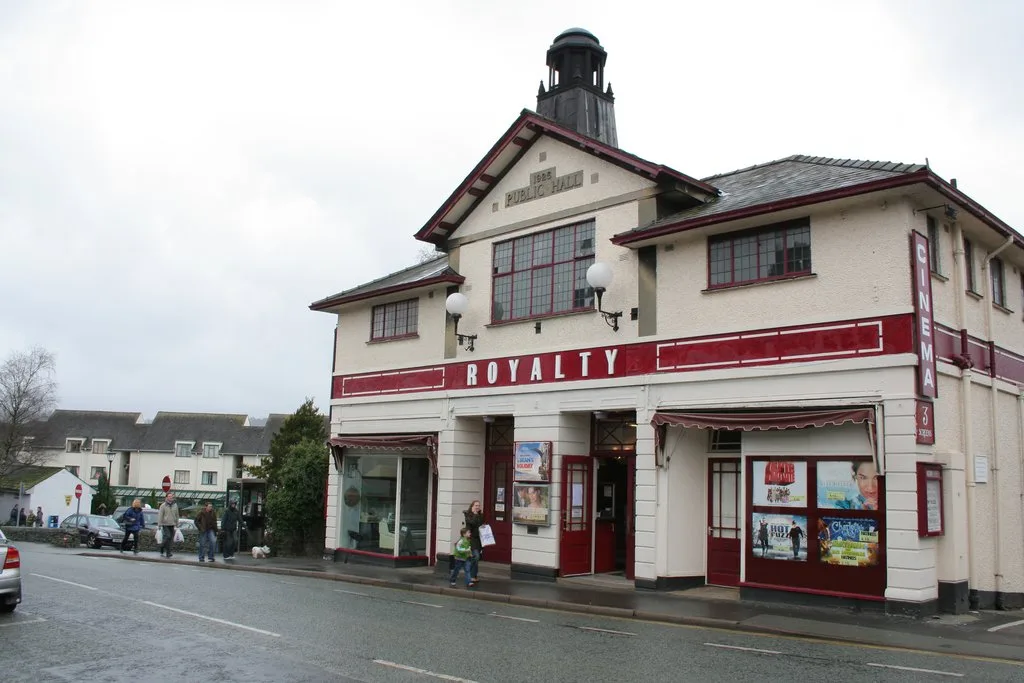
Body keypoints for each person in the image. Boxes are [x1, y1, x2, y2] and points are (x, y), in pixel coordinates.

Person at [463, 500, 484, 587]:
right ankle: (470, 575)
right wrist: (475, 514)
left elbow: (480, 525)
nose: (477, 507)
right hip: (471, 539)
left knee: (476, 558)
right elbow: (471, 524)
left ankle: (474, 576)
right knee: (476, 556)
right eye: (476, 505)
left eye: (478, 505)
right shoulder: (468, 515)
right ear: (472, 506)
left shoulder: (480, 515)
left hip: (478, 540)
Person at [157, 493, 179, 558]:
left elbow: (177, 514)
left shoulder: (175, 505)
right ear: (166, 497)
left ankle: (168, 553)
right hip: (165, 524)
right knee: (168, 536)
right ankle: (161, 546)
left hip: (172, 523)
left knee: (170, 539)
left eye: (171, 496)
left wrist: (177, 523)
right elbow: (160, 515)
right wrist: (159, 524)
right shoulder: (163, 505)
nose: (170, 497)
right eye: (169, 496)